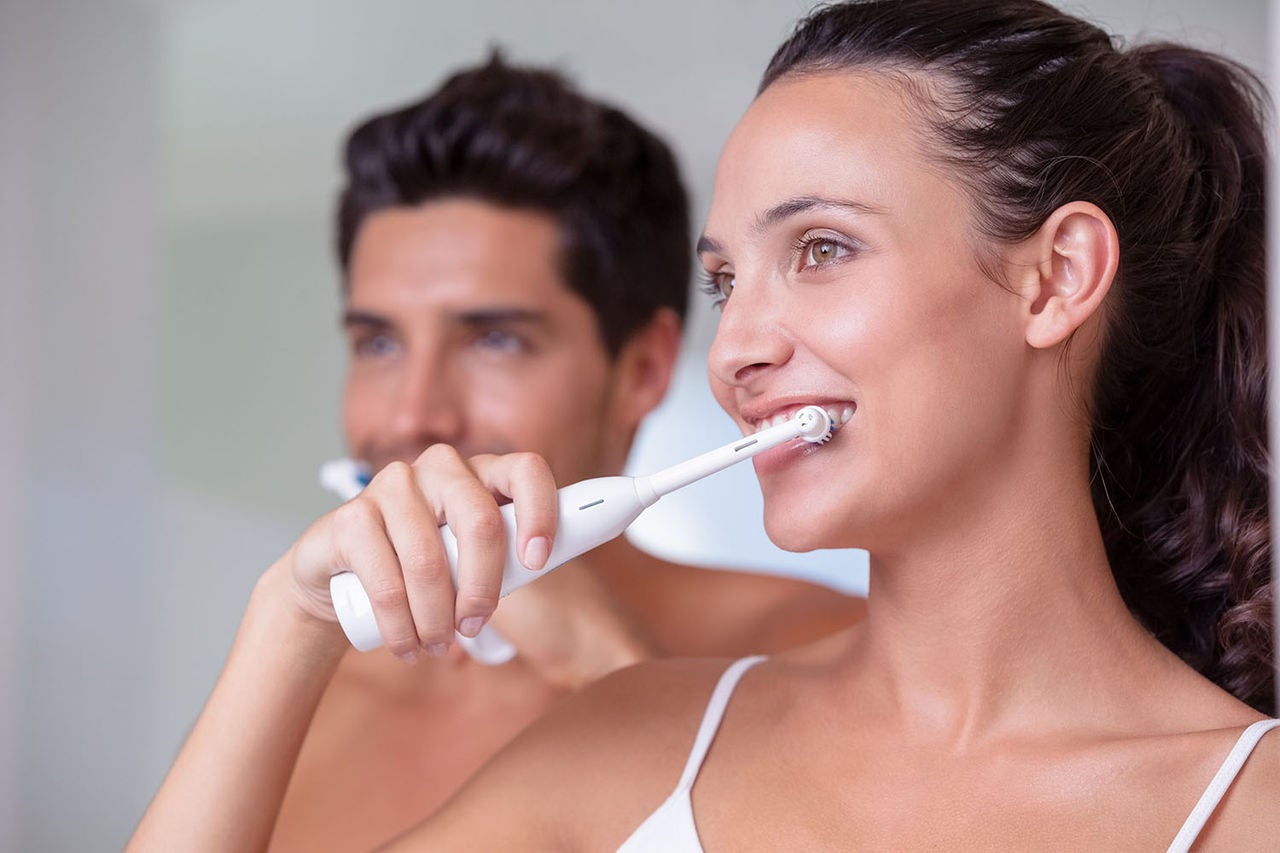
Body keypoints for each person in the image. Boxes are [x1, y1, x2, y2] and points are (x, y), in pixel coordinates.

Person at [131, 1, 1277, 850]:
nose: (734, 351)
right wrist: (288, 622)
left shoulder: (1245, 805)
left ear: (1054, 277)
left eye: (819, 249)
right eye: (727, 281)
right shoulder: (645, 734)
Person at [135, 55, 863, 850]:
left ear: (644, 369)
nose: (413, 414)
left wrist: (614, 666)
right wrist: (285, 622)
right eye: (378, 342)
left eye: (494, 340)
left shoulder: (823, 652)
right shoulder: (296, 699)